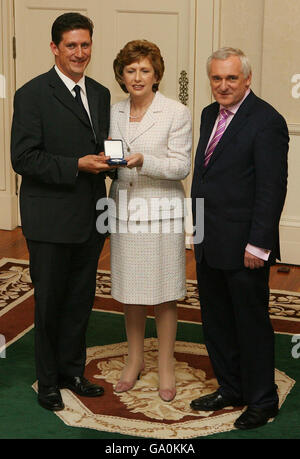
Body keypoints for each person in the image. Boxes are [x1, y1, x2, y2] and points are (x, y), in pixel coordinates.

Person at [11, 12, 115, 411]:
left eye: (85, 45)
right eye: (71, 45)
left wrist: (112, 160)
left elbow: (103, 144)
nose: (79, 53)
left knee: (79, 300)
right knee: (50, 302)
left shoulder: (102, 93)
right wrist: (77, 165)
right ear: (55, 48)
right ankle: (49, 380)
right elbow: (24, 158)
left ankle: (73, 371)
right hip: (50, 220)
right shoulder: (31, 94)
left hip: (91, 217)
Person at [190, 47, 289, 429]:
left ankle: (262, 400)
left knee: (250, 323)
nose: (223, 85)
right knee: (216, 321)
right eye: (217, 78)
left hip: (246, 245)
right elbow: (206, 175)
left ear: (247, 79)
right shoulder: (208, 114)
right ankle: (230, 387)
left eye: (231, 78)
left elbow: (271, 188)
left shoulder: (266, 121)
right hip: (209, 238)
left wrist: (259, 244)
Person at [109, 40, 192, 402]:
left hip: (161, 211)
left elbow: (181, 166)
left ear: (156, 74)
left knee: (164, 291)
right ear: (122, 76)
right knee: (130, 290)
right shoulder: (113, 111)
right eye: (131, 70)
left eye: (145, 70)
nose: (137, 77)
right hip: (124, 208)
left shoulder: (176, 112)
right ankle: (134, 360)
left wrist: (144, 160)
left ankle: (166, 366)